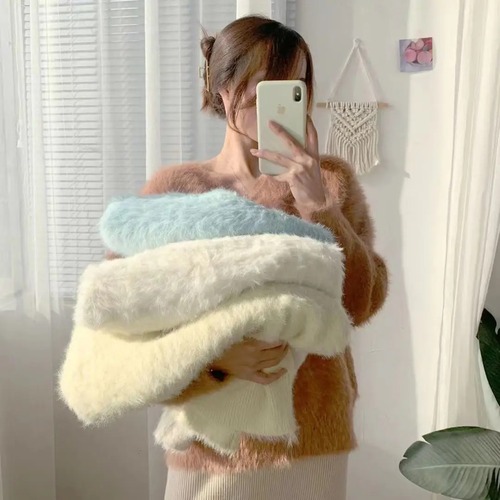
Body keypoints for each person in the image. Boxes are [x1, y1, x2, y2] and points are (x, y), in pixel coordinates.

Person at [141, 15, 388, 500]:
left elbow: (361, 303)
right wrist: (214, 358)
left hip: (311, 435)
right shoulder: (176, 190)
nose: (282, 97)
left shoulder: (330, 181)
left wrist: (317, 204)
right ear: (223, 88)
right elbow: (133, 318)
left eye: (295, 85)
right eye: (266, 83)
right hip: (208, 438)